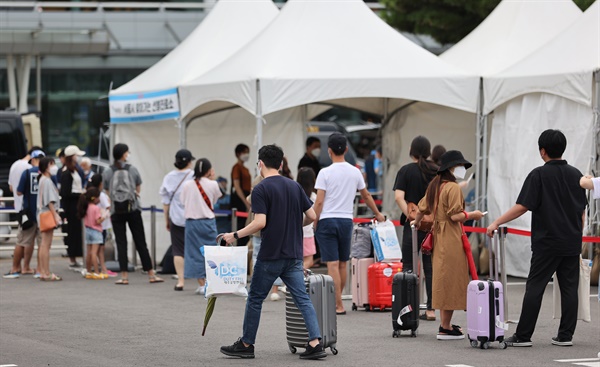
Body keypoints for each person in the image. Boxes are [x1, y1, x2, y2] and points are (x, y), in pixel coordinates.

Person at [219, 144, 326, 360]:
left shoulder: (260, 189)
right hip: (293, 254)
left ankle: (247, 344)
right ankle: (315, 343)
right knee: (301, 298)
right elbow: (312, 216)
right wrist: (296, 224)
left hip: (270, 254)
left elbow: (260, 222)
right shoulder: (294, 186)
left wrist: (235, 235)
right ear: (280, 164)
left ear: (260, 164)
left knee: (256, 298)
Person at [486, 129, 587, 347]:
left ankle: (523, 336)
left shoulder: (538, 175)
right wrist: (578, 233)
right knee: (570, 288)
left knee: (535, 287)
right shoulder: (577, 175)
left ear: (542, 151)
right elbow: (582, 212)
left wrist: (497, 222)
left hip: (547, 242)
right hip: (571, 241)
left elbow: (522, 206)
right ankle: (565, 336)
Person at [413, 150, 484, 340]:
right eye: (460, 165)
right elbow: (455, 216)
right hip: (451, 236)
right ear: (452, 168)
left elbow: (421, 208)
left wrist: (417, 222)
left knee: (443, 278)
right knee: (451, 279)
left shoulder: (435, 185)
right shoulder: (453, 188)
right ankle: (445, 326)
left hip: (439, 236)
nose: (462, 169)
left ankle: (446, 324)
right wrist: (473, 215)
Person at [313, 132, 385, 315]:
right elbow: (366, 195)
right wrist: (378, 213)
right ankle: (338, 302)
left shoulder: (324, 173)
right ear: (346, 149)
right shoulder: (355, 171)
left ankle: (336, 303)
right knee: (343, 263)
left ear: (329, 151)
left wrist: (314, 219)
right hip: (346, 220)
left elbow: (319, 201)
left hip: (327, 220)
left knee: (332, 265)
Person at [102, 143, 163, 285]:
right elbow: (138, 187)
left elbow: (106, 190)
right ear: (124, 154)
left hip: (116, 211)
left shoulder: (108, 171)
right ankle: (151, 274)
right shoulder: (132, 169)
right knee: (140, 241)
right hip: (133, 209)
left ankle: (124, 276)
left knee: (121, 242)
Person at [393, 136, 437, 321]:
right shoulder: (436, 171)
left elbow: (398, 197)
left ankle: (408, 307)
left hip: (412, 227)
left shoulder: (405, 170)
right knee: (430, 267)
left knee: (409, 267)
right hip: (432, 227)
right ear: (428, 151)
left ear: (411, 150)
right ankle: (431, 309)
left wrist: (411, 216)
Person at [180, 158, 221, 295]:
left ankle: (201, 284)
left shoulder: (187, 185)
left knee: (194, 253)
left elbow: (182, 202)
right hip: (208, 222)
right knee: (211, 252)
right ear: (209, 170)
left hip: (192, 222)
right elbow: (214, 200)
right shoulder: (213, 184)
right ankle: (211, 282)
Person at [3, 148, 44, 279]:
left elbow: (17, 190)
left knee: (22, 241)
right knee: (42, 244)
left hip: (26, 211)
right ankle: (39, 269)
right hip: (42, 212)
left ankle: (16, 268)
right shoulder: (45, 174)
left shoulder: (23, 171)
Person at [159, 149, 194, 291]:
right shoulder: (193, 175)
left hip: (176, 218)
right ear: (190, 161)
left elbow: (165, 202)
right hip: (193, 217)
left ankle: (180, 281)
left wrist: (166, 219)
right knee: (196, 248)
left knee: (178, 250)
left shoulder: (168, 177)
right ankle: (201, 281)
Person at [37, 157, 63, 281]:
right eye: (51, 164)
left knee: (43, 244)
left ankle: (43, 271)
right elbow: (50, 201)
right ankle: (46, 272)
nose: (54, 166)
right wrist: (55, 215)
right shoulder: (47, 180)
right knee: (46, 244)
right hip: (48, 213)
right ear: (46, 166)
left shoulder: (42, 179)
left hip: (42, 213)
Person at [60, 145, 86, 268]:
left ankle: (76, 256)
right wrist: (79, 194)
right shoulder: (66, 172)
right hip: (71, 206)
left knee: (77, 231)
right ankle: (72, 257)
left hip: (76, 204)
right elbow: (65, 192)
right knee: (73, 232)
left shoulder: (75, 169)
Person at [87, 174, 116, 277]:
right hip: (100, 226)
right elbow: (108, 207)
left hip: (91, 226)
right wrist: (105, 215)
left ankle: (89, 269)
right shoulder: (101, 195)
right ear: (100, 183)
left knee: (91, 250)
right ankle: (101, 269)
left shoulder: (90, 194)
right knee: (99, 250)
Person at [78, 187, 106, 279]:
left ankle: (89, 271)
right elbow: (97, 221)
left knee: (89, 252)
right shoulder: (95, 208)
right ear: (95, 198)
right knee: (94, 253)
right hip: (96, 231)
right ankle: (97, 272)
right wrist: (103, 217)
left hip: (88, 230)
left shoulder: (86, 207)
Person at [230, 143, 251, 247]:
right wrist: (246, 203)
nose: (246, 154)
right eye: (244, 152)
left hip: (246, 196)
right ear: (238, 154)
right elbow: (237, 187)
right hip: (240, 200)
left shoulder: (245, 169)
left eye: (247, 152)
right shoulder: (236, 168)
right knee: (240, 227)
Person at [297, 167, 317, 269]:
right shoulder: (313, 197)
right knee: (308, 261)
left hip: (294, 233)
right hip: (307, 233)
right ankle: (297, 278)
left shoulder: (294, 194)